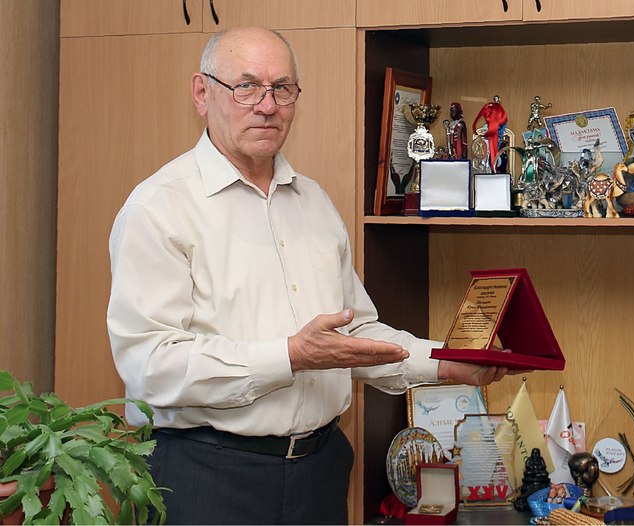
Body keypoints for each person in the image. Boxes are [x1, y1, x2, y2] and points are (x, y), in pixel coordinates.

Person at [107, 27, 515, 525]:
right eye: (246, 86)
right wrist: (291, 356)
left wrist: (446, 364)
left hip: (319, 474)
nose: (267, 106)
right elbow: (150, 365)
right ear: (201, 92)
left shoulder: (314, 203)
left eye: (282, 88)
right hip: (206, 476)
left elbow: (354, 335)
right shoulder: (158, 208)